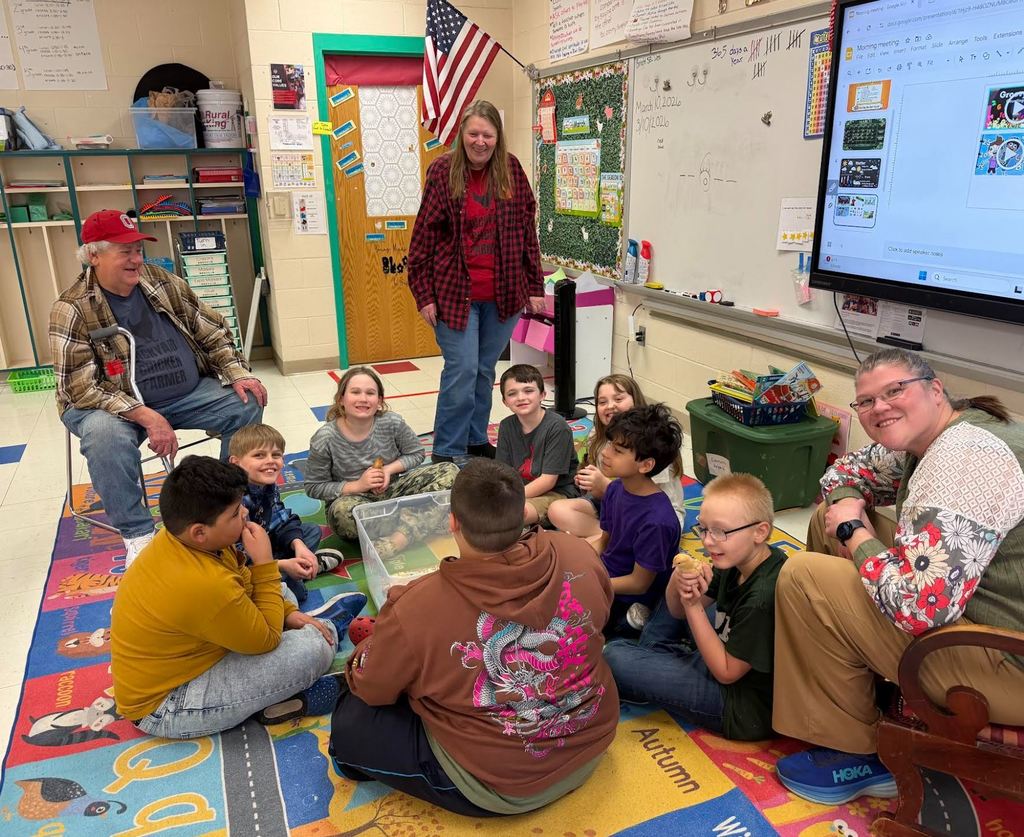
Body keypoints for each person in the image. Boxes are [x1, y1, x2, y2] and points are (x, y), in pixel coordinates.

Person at [772, 348, 1024, 804]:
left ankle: (860, 754)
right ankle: (846, 676)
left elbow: (919, 608)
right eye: (866, 402)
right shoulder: (947, 429)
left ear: (934, 389)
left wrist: (853, 531)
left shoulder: (966, 459)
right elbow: (844, 473)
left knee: (805, 575)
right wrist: (847, 510)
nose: (879, 408)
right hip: (987, 615)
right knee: (823, 523)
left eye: (894, 391)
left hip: (1011, 661)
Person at [329, 459, 618, 816]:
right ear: (524, 513)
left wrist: (372, 648)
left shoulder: (417, 605)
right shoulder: (577, 552)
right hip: (592, 741)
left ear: (451, 523)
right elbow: (599, 622)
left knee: (350, 716)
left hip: (498, 786)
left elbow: (373, 689)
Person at [50, 209, 266, 566]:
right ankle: (138, 536)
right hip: (110, 406)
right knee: (106, 438)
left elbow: (211, 328)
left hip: (184, 393)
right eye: (125, 251)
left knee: (247, 401)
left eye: (138, 249)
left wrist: (236, 371)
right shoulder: (71, 308)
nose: (137, 259)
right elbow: (78, 388)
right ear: (94, 255)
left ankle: (224, 505)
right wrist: (145, 415)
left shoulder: (160, 281)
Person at [110, 456, 366, 738]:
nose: (245, 513)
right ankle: (329, 626)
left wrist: (289, 614)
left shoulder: (185, 539)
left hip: (204, 644)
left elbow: (243, 580)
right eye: (234, 513)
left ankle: (290, 674)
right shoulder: (204, 583)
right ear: (199, 532)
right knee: (312, 647)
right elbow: (266, 640)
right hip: (167, 706)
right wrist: (266, 562)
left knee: (276, 589)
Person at [407, 100, 545, 464]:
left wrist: (535, 286)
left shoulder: (511, 170)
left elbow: (526, 232)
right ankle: (447, 450)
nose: (480, 141)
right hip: (455, 295)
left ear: (497, 137)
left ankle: (474, 439)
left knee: (485, 371)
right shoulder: (442, 170)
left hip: (504, 295)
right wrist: (424, 295)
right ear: (462, 135)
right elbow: (423, 237)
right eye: (473, 134)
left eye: (488, 134)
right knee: (463, 369)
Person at [604, 474, 786, 740]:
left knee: (613, 655)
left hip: (738, 705)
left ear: (760, 531)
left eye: (720, 531)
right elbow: (676, 610)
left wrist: (692, 606)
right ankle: (656, 659)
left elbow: (726, 673)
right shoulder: (737, 557)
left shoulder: (761, 597)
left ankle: (652, 660)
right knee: (674, 579)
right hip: (723, 648)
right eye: (703, 528)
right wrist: (680, 584)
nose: (708, 541)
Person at [303, 367, 458, 548]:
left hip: (395, 493)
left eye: (370, 393)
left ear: (379, 401)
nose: (363, 398)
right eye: (355, 392)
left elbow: (416, 453)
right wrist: (357, 485)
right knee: (342, 516)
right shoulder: (325, 438)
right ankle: (424, 518)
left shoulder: (392, 422)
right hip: (355, 502)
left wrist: (388, 469)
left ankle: (399, 538)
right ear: (341, 399)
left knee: (450, 470)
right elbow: (313, 487)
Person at [548, 374, 686, 539]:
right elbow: (600, 488)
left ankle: (612, 538)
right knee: (557, 510)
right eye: (602, 402)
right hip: (612, 503)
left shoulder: (652, 444)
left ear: (635, 400)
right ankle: (609, 536)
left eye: (618, 399)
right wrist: (589, 482)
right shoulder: (597, 436)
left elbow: (649, 502)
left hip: (647, 514)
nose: (610, 406)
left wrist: (604, 485)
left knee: (576, 544)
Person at [592, 404, 683, 635]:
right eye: (610, 445)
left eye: (618, 451)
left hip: (631, 594)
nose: (606, 453)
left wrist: (593, 585)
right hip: (606, 577)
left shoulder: (657, 520)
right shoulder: (614, 489)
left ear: (646, 464)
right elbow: (604, 543)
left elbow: (639, 583)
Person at [228, 423, 343, 603]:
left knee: (310, 531)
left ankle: (297, 567)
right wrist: (280, 565)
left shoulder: (266, 484)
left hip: (265, 545)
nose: (270, 461)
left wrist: (299, 546)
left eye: (276, 455)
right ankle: (296, 571)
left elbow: (280, 519)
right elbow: (235, 555)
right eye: (259, 455)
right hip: (242, 561)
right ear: (236, 462)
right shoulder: (232, 498)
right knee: (298, 595)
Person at [495, 364, 579, 525]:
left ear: (542, 395)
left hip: (557, 492)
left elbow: (548, 481)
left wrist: (509, 499)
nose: (521, 398)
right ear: (505, 401)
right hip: (521, 491)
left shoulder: (557, 427)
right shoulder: (506, 426)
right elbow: (502, 473)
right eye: (512, 394)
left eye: (528, 391)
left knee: (510, 515)